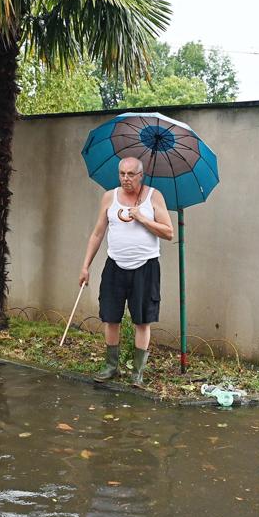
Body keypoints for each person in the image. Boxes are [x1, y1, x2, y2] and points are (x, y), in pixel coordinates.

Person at [80, 157, 174, 386]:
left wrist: (142, 218)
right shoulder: (109, 197)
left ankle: (137, 372)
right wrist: (85, 266)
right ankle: (111, 366)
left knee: (142, 321)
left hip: (146, 266)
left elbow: (169, 232)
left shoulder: (154, 196)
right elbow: (97, 234)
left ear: (141, 175)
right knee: (110, 317)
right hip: (115, 266)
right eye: (122, 173)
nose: (126, 179)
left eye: (131, 174)